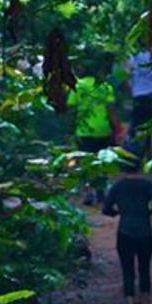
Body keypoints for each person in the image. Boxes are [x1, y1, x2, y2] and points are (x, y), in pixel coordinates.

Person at [103, 159, 152, 304]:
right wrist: (149, 211)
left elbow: (106, 208)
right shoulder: (146, 184)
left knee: (127, 270)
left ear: (123, 169)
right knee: (144, 269)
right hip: (145, 231)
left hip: (125, 231)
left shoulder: (118, 186)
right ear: (140, 167)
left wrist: (118, 212)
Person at [66, 65, 120, 205]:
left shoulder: (78, 86)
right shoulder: (105, 87)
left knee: (86, 162)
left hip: (84, 131)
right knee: (102, 161)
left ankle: (89, 193)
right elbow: (111, 110)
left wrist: (70, 130)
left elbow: (71, 108)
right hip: (103, 129)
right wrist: (117, 129)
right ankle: (101, 191)